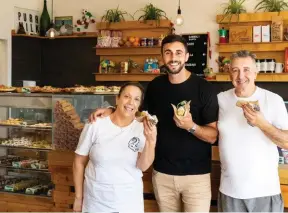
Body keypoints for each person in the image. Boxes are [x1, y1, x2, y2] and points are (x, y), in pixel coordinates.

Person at [89, 34, 219, 212]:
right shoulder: (155, 86)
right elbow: (136, 112)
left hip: (196, 176)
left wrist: (191, 126)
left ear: (187, 57)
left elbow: (213, 136)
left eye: (179, 53)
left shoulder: (205, 88)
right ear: (162, 57)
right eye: (168, 53)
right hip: (162, 174)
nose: (173, 58)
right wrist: (112, 110)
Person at [217, 50, 288, 212]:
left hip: (265, 192)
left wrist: (262, 124)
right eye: (235, 70)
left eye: (246, 70)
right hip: (230, 192)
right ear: (229, 74)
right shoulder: (220, 99)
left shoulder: (273, 100)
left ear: (256, 73)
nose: (241, 76)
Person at [73, 82, 157, 213]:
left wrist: (151, 142)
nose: (130, 102)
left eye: (136, 99)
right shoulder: (96, 124)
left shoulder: (142, 128)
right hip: (96, 201)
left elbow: (143, 166)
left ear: (139, 105)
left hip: (129, 202)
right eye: (126, 96)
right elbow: (78, 162)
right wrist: (78, 197)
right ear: (117, 99)